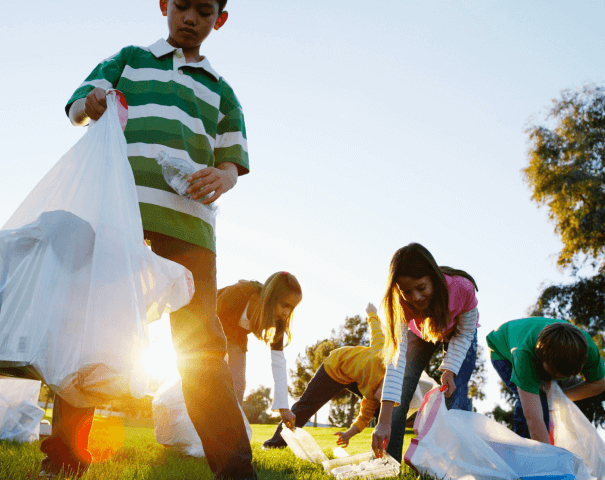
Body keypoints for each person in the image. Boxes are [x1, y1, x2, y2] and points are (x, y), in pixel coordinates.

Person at [39, 1, 258, 478]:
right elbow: (79, 104)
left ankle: (236, 472)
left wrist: (222, 178)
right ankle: (65, 460)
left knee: (201, 347)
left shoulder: (222, 90)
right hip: (119, 212)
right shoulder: (130, 59)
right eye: (182, 5)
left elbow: (230, 163)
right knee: (91, 331)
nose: (190, 18)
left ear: (219, 19)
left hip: (189, 225)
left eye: (204, 11)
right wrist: (93, 103)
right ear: (164, 5)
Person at [371, 242, 479, 463]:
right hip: (421, 332)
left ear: (433, 277)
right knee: (402, 389)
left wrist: (449, 368)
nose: (416, 297)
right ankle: (389, 462)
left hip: (457, 332)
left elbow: (465, 333)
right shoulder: (400, 305)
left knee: (455, 394)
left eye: (421, 287)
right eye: (407, 291)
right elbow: (396, 359)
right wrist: (383, 420)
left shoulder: (462, 288)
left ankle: (453, 465)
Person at [263, 303, 385, 449]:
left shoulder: (372, 397)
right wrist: (372, 313)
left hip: (353, 378)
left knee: (384, 412)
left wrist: (348, 434)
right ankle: (273, 444)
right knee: (307, 404)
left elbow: (364, 418)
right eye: (382, 395)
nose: (379, 399)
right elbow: (376, 331)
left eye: (382, 399)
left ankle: (384, 450)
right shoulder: (382, 356)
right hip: (335, 367)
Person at [487, 317, 605, 444]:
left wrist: (559, 397)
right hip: (501, 347)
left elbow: (599, 384)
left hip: (533, 341)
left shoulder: (588, 350)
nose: (557, 377)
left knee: (546, 401)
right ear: (541, 358)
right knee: (539, 406)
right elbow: (533, 419)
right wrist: (547, 458)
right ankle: (524, 454)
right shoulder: (524, 356)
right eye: (553, 373)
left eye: (565, 375)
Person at [217, 272, 302, 426]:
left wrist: (284, 409)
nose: (287, 313)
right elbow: (208, 315)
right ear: (271, 297)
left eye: (292, 308)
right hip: (209, 327)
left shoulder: (279, 322)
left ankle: (230, 431)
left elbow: (278, 362)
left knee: (238, 384)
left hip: (237, 337)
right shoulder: (241, 292)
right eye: (285, 305)